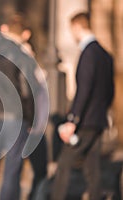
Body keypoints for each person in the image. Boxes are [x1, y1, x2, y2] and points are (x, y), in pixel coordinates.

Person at [0, 14, 48, 200]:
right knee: (12, 170)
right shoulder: (22, 55)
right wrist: (30, 119)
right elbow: (27, 89)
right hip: (15, 118)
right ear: (24, 34)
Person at [51, 12, 114, 200]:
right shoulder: (105, 54)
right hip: (98, 119)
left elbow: (83, 89)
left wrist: (73, 120)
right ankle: (95, 196)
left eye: (72, 30)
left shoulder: (88, 54)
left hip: (84, 121)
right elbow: (110, 90)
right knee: (92, 167)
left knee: (64, 164)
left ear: (77, 27)